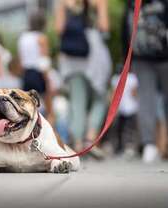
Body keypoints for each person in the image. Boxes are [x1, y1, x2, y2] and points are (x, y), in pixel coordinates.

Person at [55, 0, 111, 159]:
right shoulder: (98, 2)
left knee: (76, 99)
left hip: (71, 55)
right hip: (94, 51)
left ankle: (78, 144)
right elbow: (104, 26)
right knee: (101, 97)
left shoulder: (64, 3)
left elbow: (59, 29)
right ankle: (90, 138)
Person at [123, 0, 168, 163]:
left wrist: (125, 61)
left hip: (142, 57)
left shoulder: (133, 2)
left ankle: (149, 145)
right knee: (149, 100)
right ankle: (150, 144)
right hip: (154, 56)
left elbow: (125, 29)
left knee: (146, 100)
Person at [18, 10, 54, 124]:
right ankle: (51, 133)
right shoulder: (41, 37)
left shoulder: (22, 38)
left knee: (28, 108)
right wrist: (48, 80)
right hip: (39, 73)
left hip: (26, 74)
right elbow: (44, 61)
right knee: (49, 109)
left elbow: (21, 60)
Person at [111, 71, 139, 159]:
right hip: (131, 108)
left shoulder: (115, 78)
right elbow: (134, 93)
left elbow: (113, 94)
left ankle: (120, 148)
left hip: (120, 108)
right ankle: (129, 147)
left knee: (120, 129)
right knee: (130, 130)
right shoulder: (133, 77)